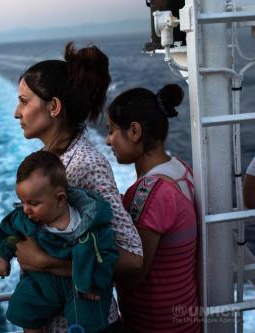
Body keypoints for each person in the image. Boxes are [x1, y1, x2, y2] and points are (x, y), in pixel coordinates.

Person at [0, 42, 143, 331]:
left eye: (24, 101)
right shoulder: (52, 160)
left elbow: (132, 259)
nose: (16, 112)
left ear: (54, 107)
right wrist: (11, 227)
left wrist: (44, 261)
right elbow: (63, 223)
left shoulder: (85, 165)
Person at [106, 84, 200, 332]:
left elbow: (134, 273)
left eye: (112, 130)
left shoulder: (149, 192)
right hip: (184, 319)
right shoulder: (181, 170)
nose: (107, 140)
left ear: (135, 131)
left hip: (155, 325)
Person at [0, 151, 118, 332]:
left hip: (79, 287)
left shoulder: (89, 224)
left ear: (60, 199)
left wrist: (95, 281)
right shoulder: (24, 220)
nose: (26, 209)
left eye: (33, 203)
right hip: (42, 284)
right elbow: (9, 233)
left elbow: (105, 255)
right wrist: (3, 258)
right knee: (26, 309)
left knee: (86, 320)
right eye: (22, 202)